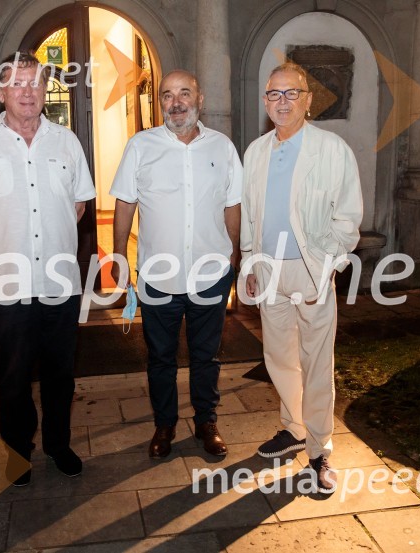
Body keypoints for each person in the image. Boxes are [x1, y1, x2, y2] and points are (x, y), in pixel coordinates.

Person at [0, 52, 95, 486]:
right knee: (12, 377)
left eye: (35, 83)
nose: (28, 92)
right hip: (6, 283)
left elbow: (80, 202)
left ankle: (58, 444)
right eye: (17, 84)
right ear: (0, 91)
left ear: (45, 88)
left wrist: (48, 233)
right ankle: (17, 452)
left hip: (59, 282)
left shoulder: (66, 140)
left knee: (60, 374)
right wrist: (3, 234)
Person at [240, 62, 363, 493]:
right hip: (269, 271)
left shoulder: (331, 150)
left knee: (316, 361)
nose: (282, 102)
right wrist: (250, 262)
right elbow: (251, 216)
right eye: (274, 94)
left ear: (308, 100)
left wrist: (329, 261)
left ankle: (319, 448)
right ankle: (293, 428)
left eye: (291, 93)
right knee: (279, 357)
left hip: (312, 269)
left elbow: (348, 217)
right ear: (265, 101)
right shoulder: (255, 152)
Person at [110, 70, 242, 459]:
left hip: (210, 274)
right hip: (158, 277)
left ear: (200, 99)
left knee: (207, 356)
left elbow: (233, 205)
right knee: (160, 359)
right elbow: (124, 203)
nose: (177, 102)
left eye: (185, 93)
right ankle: (164, 424)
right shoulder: (140, 146)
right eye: (167, 95)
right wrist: (119, 257)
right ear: (160, 103)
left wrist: (235, 256)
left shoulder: (223, 147)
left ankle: (206, 421)